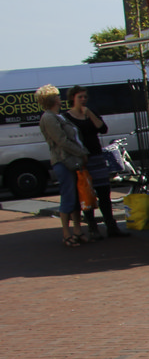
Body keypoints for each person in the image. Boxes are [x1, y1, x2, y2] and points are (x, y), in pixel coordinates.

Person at [66, 85, 127, 239]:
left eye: (85, 97)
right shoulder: (67, 117)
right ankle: (93, 228)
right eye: (80, 97)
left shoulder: (90, 112)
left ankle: (111, 227)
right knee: (87, 194)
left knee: (104, 192)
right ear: (73, 98)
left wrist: (90, 114)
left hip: (97, 156)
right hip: (82, 159)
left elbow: (103, 129)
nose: (83, 99)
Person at [38, 84, 89, 247]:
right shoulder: (48, 118)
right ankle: (66, 234)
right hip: (63, 161)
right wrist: (82, 152)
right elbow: (61, 141)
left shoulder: (58, 116)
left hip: (71, 161)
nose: (60, 98)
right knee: (68, 196)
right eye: (57, 96)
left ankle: (77, 230)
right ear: (52, 99)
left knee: (75, 197)